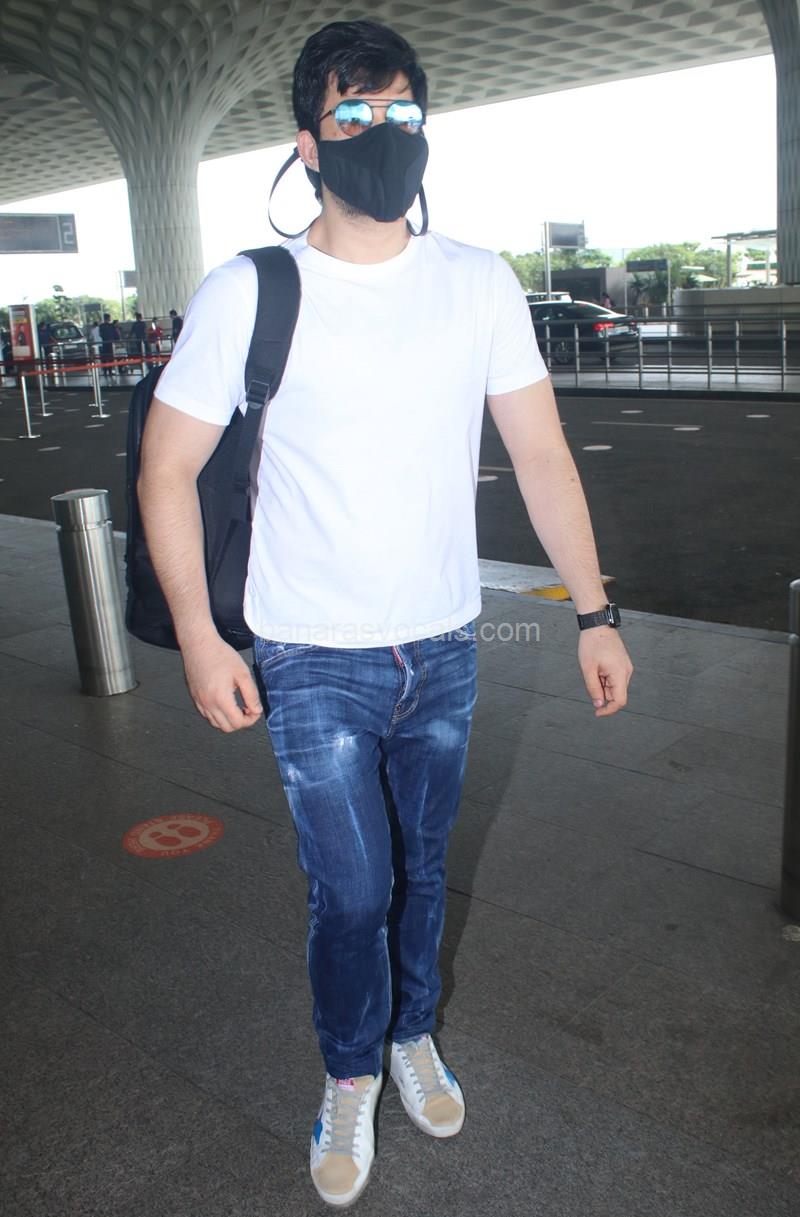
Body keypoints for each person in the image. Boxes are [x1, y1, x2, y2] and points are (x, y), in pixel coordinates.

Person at [138, 19, 633, 1209]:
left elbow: (540, 454)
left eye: (402, 112)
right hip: (309, 654)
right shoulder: (250, 290)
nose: (384, 134)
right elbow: (165, 470)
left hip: (445, 645)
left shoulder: (474, 280)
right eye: (354, 115)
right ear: (307, 144)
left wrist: (594, 612)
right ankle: (349, 1068)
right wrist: (200, 637)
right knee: (351, 890)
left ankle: (412, 1031)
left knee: (420, 871)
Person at [97, 312, 120, 381]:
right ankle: (110, 371)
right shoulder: (112, 326)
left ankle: (105, 371)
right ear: (109, 318)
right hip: (111, 343)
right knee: (110, 358)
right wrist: (117, 340)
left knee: (104, 358)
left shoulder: (101, 326)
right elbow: (116, 335)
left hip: (104, 343)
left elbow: (100, 334)